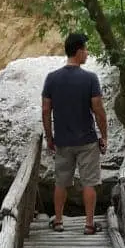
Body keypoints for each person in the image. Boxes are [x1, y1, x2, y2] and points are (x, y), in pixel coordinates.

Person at [41, 32, 108, 234]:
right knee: (89, 182)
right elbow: (98, 109)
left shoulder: (52, 79)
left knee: (61, 182)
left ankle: (59, 221)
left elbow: (45, 110)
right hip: (87, 140)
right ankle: (89, 225)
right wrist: (103, 136)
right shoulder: (90, 79)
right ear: (78, 51)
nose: (87, 53)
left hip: (62, 141)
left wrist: (50, 137)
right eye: (86, 49)